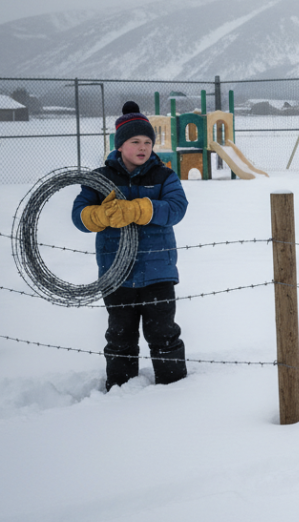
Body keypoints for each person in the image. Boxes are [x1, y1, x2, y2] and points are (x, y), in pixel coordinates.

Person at [72, 101, 189, 392]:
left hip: (158, 273)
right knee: (120, 334)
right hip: (116, 274)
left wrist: (142, 209)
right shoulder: (101, 179)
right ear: (120, 145)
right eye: (135, 141)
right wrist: (98, 215)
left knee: (163, 332)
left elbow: (177, 208)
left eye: (148, 142)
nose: (143, 147)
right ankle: (120, 388)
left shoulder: (163, 176)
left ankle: (175, 388)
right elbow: (79, 215)